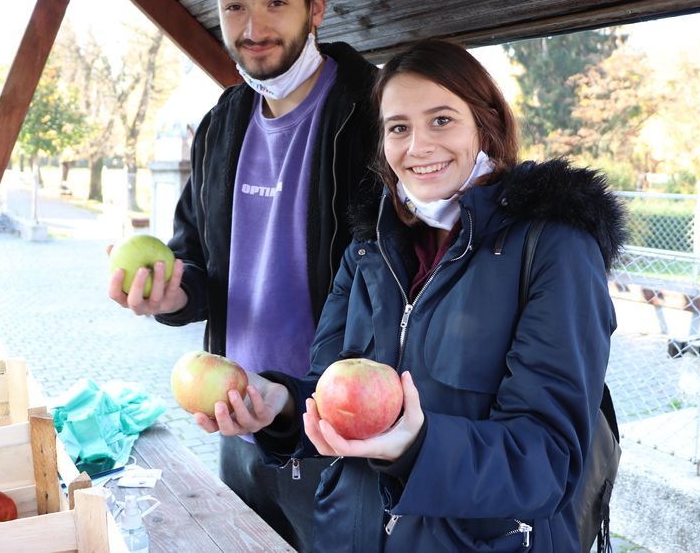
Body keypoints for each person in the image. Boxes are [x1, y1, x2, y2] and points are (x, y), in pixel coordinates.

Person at [201, 40, 626, 551]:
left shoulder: (554, 246)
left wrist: (417, 449)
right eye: (398, 127)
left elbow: (547, 460)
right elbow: (332, 389)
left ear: (485, 123)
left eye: (442, 120)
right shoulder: (371, 244)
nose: (417, 146)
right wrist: (282, 407)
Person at [107, 0, 379, 552]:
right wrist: (172, 296)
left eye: (275, 2)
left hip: (337, 432)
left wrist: (305, 399)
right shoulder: (220, 125)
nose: (253, 29)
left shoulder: (372, 115)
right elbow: (195, 262)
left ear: (316, 7)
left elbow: (393, 281)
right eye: (234, 6)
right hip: (236, 422)